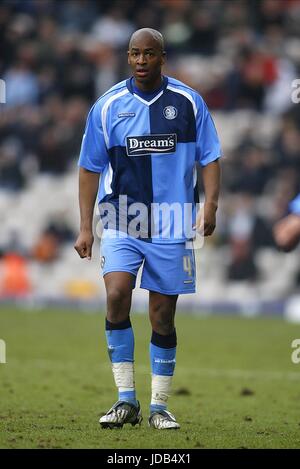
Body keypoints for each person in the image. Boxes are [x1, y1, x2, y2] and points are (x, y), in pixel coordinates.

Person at [74, 28, 221, 430]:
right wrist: (86, 227)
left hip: (174, 221)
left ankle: (159, 407)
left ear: (162, 57)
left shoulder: (189, 103)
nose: (141, 61)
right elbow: (89, 168)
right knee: (117, 294)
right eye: (135, 53)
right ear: (127, 57)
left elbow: (210, 156)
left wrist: (211, 204)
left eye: (149, 54)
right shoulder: (107, 106)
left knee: (162, 315)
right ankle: (125, 401)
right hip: (123, 217)